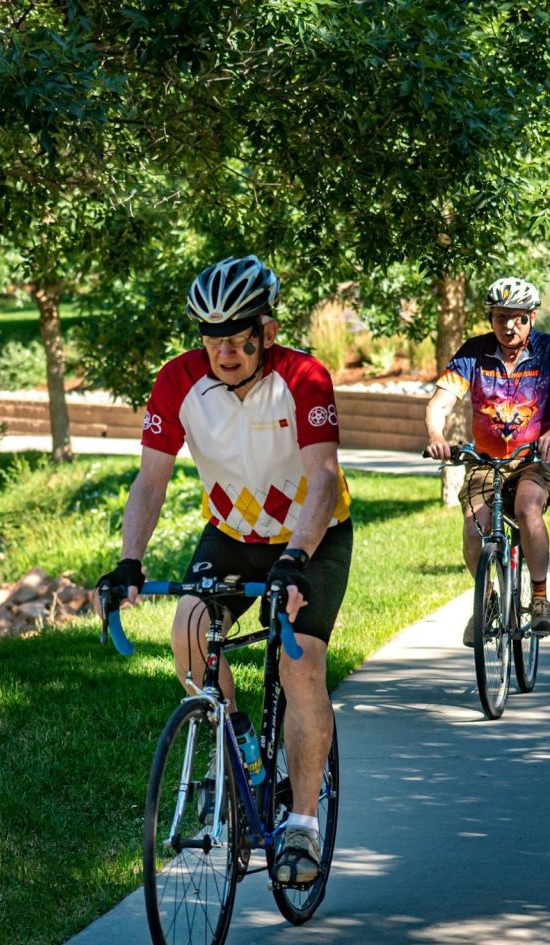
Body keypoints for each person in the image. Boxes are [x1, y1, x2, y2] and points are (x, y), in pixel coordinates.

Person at [97, 255, 353, 885]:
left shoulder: (304, 376)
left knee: (300, 666)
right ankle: (241, 746)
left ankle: (301, 827)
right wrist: (130, 560)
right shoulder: (178, 382)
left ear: (266, 329)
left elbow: (321, 477)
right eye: (213, 339)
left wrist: (296, 557)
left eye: (239, 337)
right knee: (188, 636)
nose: (226, 352)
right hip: (232, 534)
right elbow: (150, 482)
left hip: (311, 538)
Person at [424, 275, 550, 642]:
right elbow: (440, 401)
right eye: (500, 317)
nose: (509, 326)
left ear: (531, 317)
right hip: (485, 460)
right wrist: (436, 436)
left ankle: (541, 599)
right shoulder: (474, 353)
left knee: (528, 506)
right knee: (474, 528)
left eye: (517, 317)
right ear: (491, 319)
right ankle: (486, 601)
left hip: (535, 457)